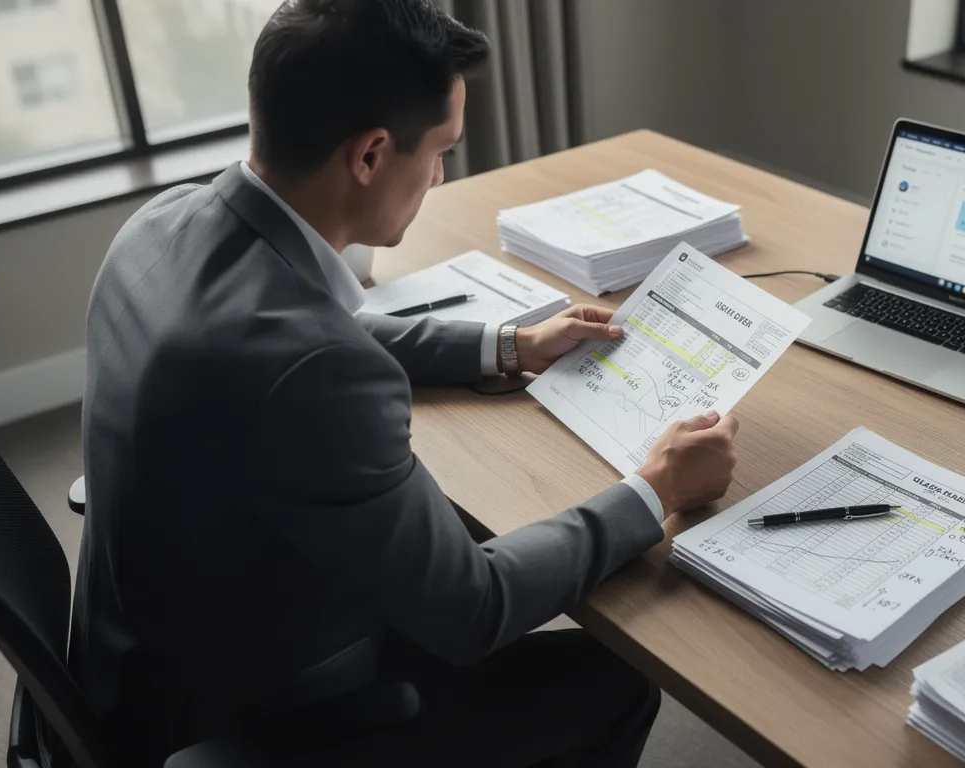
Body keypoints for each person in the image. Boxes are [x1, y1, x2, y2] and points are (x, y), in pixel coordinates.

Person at [69, 1, 739, 765]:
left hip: (136, 660)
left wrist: (510, 346)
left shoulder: (161, 223)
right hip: (249, 713)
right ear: (370, 156)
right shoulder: (313, 373)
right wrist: (656, 490)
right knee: (611, 682)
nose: (442, 173)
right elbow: (474, 608)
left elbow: (307, 339)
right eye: (442, 149)